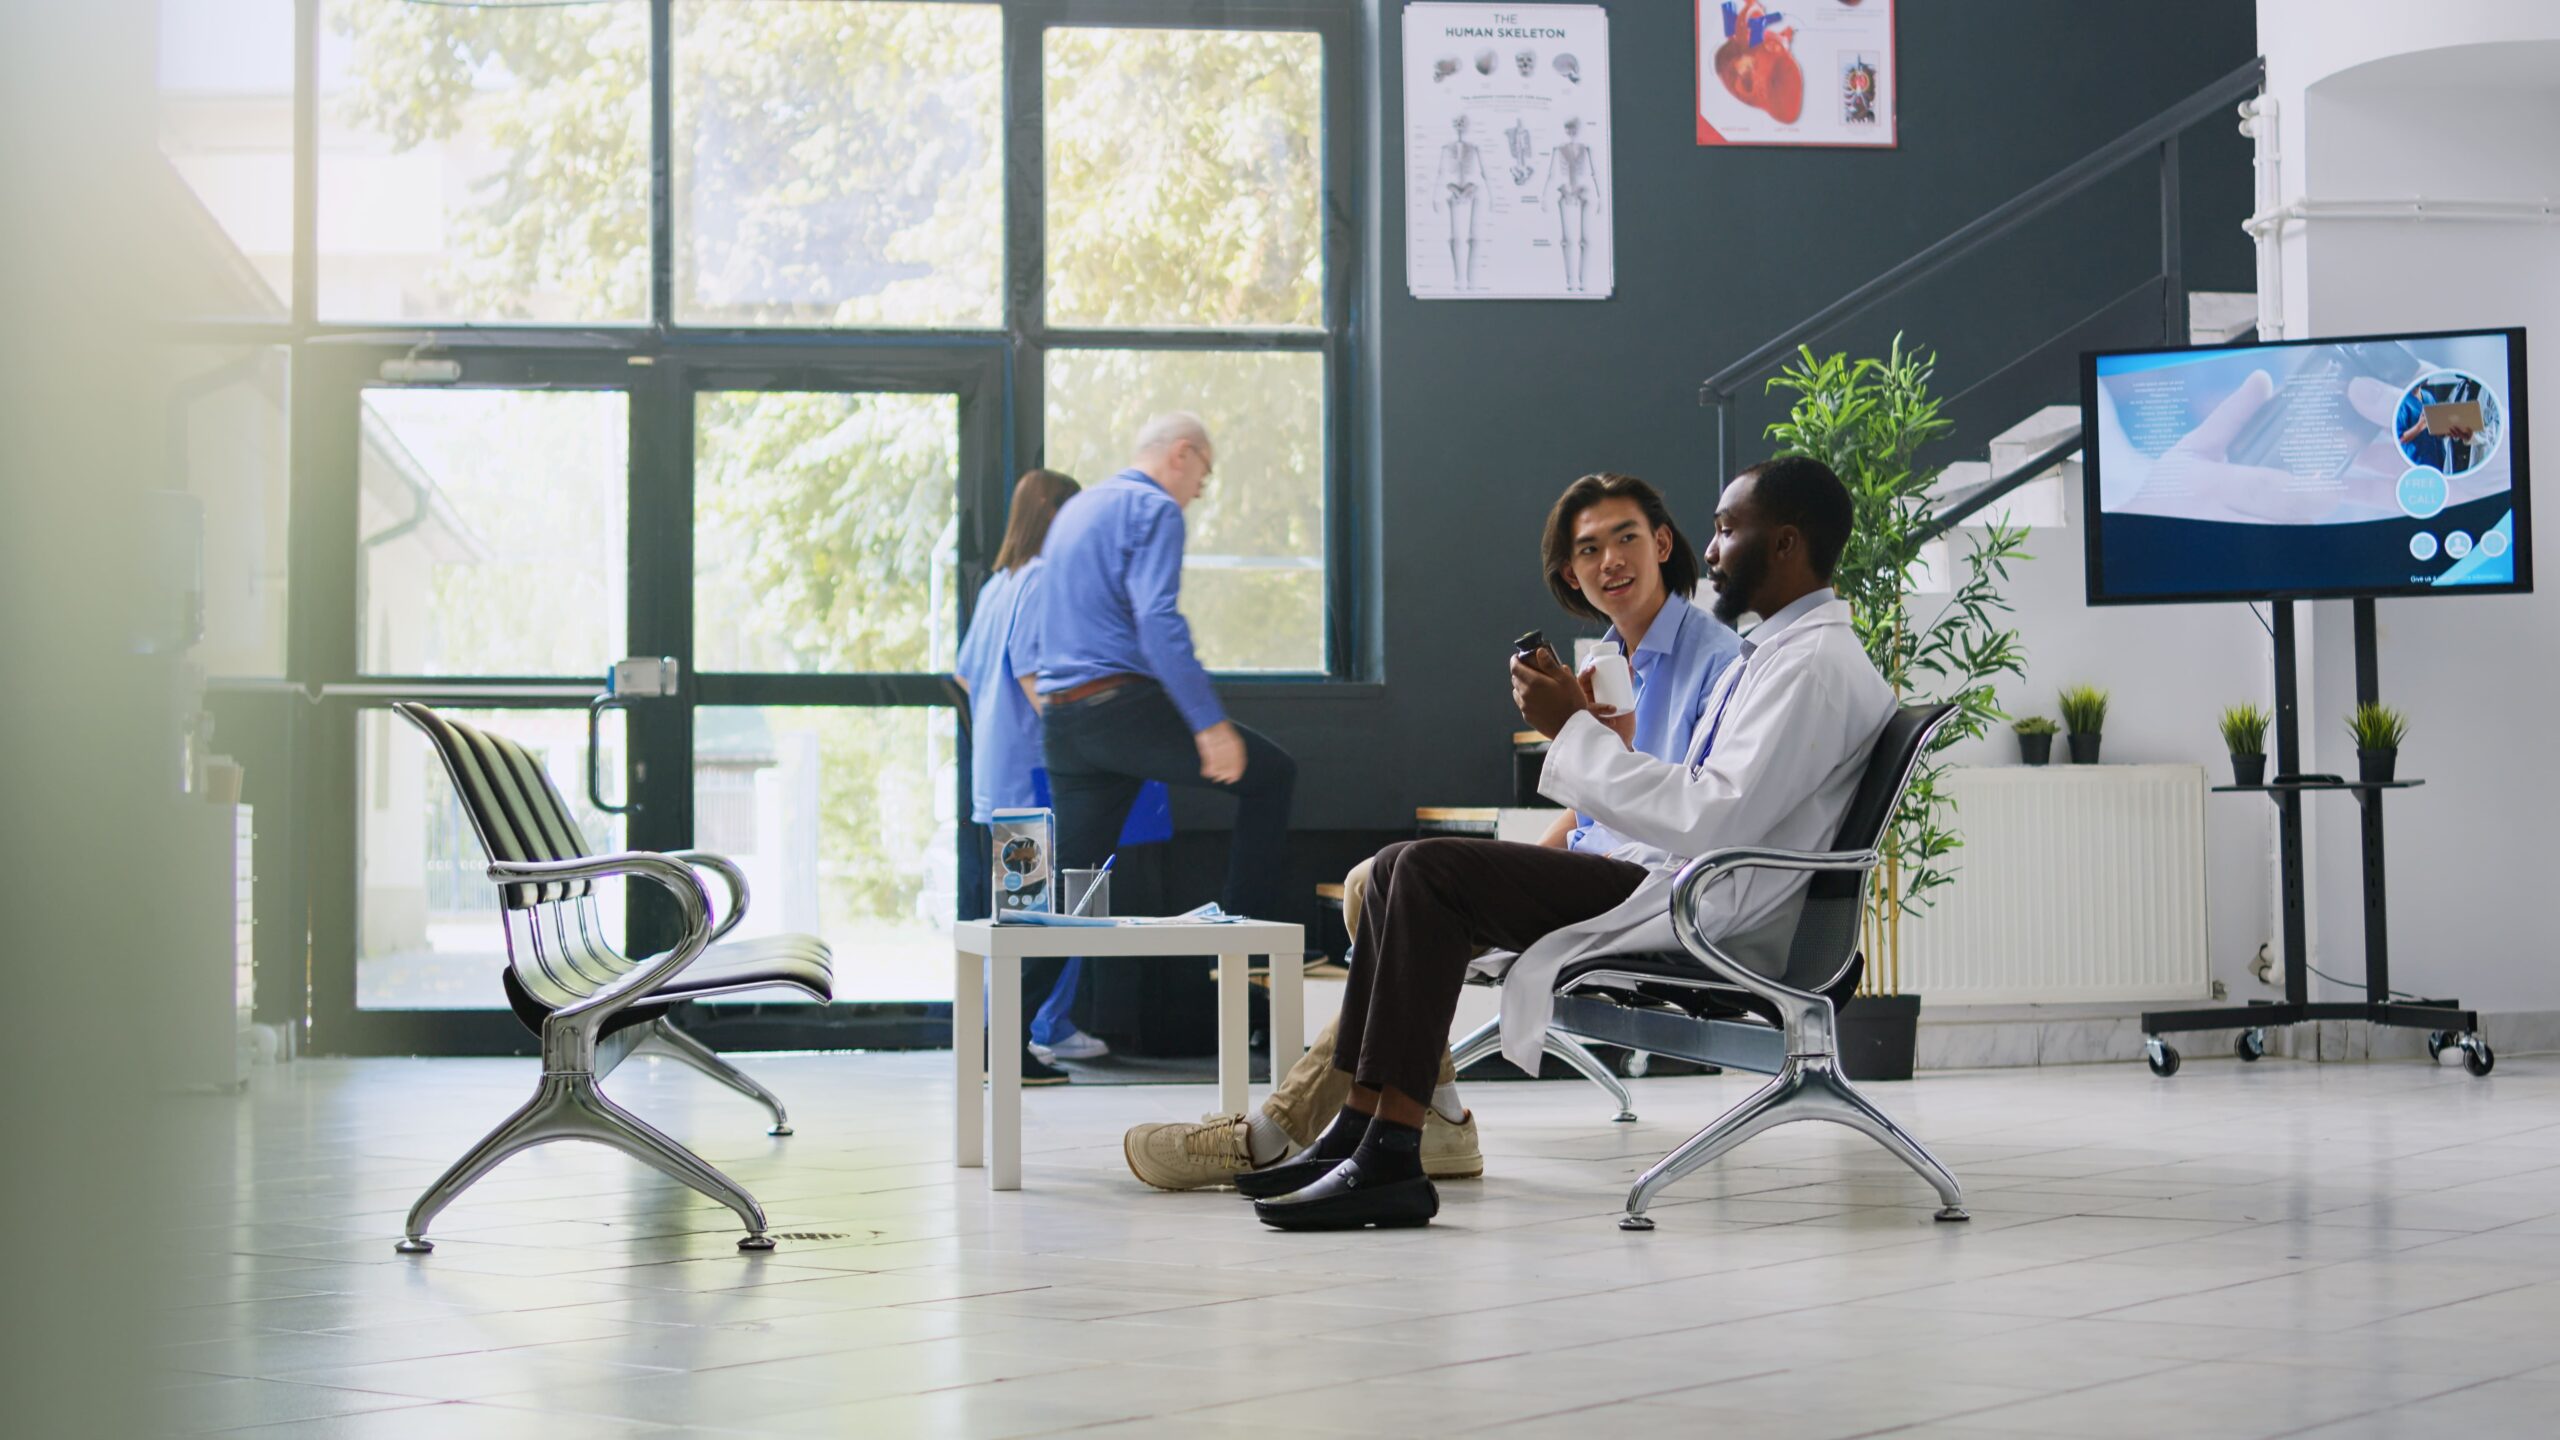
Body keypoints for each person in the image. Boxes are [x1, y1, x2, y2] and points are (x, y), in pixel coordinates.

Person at [1253, 456, 1893, 1230]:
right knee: (1394, 869)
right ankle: (1361, 1132)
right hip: (1676, 875)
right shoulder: (1782, 654)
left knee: (1422, 871)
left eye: (1727, 529)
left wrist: (1574, 732)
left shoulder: (1810, 666)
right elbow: (1706, 798)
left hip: (1705, 901)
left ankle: (1388, 1151)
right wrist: (1601, 742)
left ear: (1786, 544)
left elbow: (1709, 817)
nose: (1713, 550)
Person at [1122, 473, 1741, 1193]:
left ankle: (1276, 1130)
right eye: (1588, 549)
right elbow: (1596, 807)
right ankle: (1439, 1115)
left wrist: (1574, 742)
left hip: (1653, 887)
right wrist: (1520, 872)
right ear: (1569, 572)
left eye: (1626, 537)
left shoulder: (1713, 659)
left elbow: (1682, 811)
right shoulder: (1606, 655)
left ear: (1663, 543)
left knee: (1408, 879)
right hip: (1597, 868)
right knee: (1370, 883)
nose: (1610, 561)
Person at [1032, 412, 1299, 1064]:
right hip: (1122, 705)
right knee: (1272, 774)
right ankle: (1244, 936)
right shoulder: (1154, 510)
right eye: (1204, 474)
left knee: (1073, 889)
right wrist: (1209, 723)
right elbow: (1157, 620)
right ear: (1183, 455)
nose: (1201, 491)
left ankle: (999, 1042)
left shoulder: (1078, 509)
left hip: (1065, 722)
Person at [953, 469, 1095, 1085]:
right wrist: (1083, 744)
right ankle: (1005, 1047)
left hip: (997, 770)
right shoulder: (1041, 580)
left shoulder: (997, 586)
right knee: (1036, 917)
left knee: (1018, 912)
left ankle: (1002, 1044)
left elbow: (965, 676)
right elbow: (1033, 677)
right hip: (1033, 773)